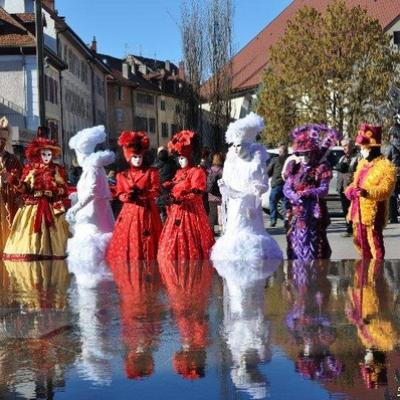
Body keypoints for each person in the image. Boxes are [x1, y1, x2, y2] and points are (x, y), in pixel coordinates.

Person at [211, 112, 282, 262]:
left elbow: (263, 182)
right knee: (235, 229)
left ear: (247, 145)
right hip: (236, 204)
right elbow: (226, 181)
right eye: (234, 146)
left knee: (251, 230)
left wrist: (257, 189)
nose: (236, 149)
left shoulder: (256, 163)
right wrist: (225, 187)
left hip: (251, 204)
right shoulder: (230, 163)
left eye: (239, 145)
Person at [3, 137, 69, 261]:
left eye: (49, 154)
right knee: (30, 238)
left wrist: (56, 190)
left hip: (53, 206)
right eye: (44, 154)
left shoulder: (56, 169)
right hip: (33, 207)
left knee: (57, 240)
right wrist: (14, 181)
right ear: (37, 153)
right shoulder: (30, 169)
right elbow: (24, 189)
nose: (47, 157)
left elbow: (64, 189)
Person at [66, 125, 115, 285]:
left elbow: (92, 191)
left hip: (94, 215)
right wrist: (75, 197)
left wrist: (76, 207)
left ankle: (95, 285)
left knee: (93, 251)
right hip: (90, 213)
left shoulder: (92, 168)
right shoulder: (91, 167)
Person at [284, 124, 341, 261]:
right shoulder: (295, 167)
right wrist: (294, 195)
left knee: (314, 244)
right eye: (300, 154)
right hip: (297, 213)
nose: (303, 157)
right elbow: (287, 187)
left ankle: (314, 276)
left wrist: (307, 192)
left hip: (314, 213)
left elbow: (324, 189)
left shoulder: (321, 167)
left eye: (306, 154)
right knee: (295, 243)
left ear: (312, 153)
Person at [157, 130, 215, 261]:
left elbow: (197, 193)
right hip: (177, 212)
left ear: (190, 157)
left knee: (192, 244)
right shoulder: (179, 172)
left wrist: (177, 198)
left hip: (191, 214)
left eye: (183, 158)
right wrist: (167, 190)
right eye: (179, 158)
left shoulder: (197, 172)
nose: (180, 160)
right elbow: (175, 186)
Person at [106, 131, 162, 264]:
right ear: (128, 157)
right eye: (135, 157)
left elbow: (156, 190)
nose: (138, 160)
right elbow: (119, 194)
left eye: (140, 157)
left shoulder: (151, 173)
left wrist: (144, 195)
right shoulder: (122, 175)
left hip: (147, 212)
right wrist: (128, 196)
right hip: (129, 213)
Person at [345, 124, 396, 260]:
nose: (361, 150)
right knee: (360, 245)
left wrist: (366, 192)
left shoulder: (386, 166)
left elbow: (385, 190)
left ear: (373, 148)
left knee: (375, 247)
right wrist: (350, 191)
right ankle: (364, 276)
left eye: (363, 148)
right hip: (357, 212)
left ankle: (376, 277)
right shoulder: (362, 163)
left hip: (373, 215)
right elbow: (354, 183)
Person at [0, 117, 22, 254]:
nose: (1, 144)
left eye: (4, 141)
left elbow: (21, 177)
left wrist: (10, 179)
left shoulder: (12, 159)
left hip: (8, 198)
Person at [334, 138, 358, 236]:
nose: (343, 148)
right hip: (342, 188)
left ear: (352, 146)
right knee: (346, 210)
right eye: (343, 146)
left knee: (354, 209)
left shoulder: (357, 157)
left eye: (345, 146)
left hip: (352, 189)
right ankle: (349, 229)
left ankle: (355, 229)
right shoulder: (342, 158)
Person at [267, 142, 289, 227]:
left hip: (276, 185)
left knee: (272, 201)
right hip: (287, 185)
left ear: (279, 152)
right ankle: (286, 219)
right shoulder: (290, 160)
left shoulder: (274, 160)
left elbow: (268, 172)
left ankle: (273, 219)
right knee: (286, 203)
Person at [154, 146, 177, 222]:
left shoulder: (155, 166)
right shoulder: (173, 163)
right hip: (168, 190)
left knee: (163, 211)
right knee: (167, 211)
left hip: (161, 191)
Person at [206, 152, 224, 234]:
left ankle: (211, 230)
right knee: (219, 214)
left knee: (213, 214)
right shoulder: (222, 171)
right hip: (220, 195)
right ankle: (215, 230)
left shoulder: (210, 170)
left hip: (211, 195)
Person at [386, 131, 400, 223]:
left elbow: (387, 159)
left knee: (392, 195)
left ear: (392, 136)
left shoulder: (391, 146)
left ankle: (393, 217)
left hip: (394, 172)